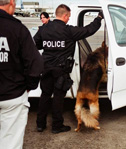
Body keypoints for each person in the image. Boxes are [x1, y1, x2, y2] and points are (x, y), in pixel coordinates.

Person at [33, 4, 103, 134]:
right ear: (64, 16)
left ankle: (40, 124)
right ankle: (56, 126)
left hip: (46, 67)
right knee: (58, 98)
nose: (69, 19)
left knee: (45, 95)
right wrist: (99, 18)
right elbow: (88, 30)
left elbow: (35, 43)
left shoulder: (44, 29)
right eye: (69, 17)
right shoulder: (68, 31)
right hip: (61, 70)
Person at [0, 0, 44, 148]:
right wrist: (29, 86)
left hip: (12, 94)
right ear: (11, 2)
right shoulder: (18, 29)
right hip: (13, 95)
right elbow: (36, 64)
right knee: (10, 143)